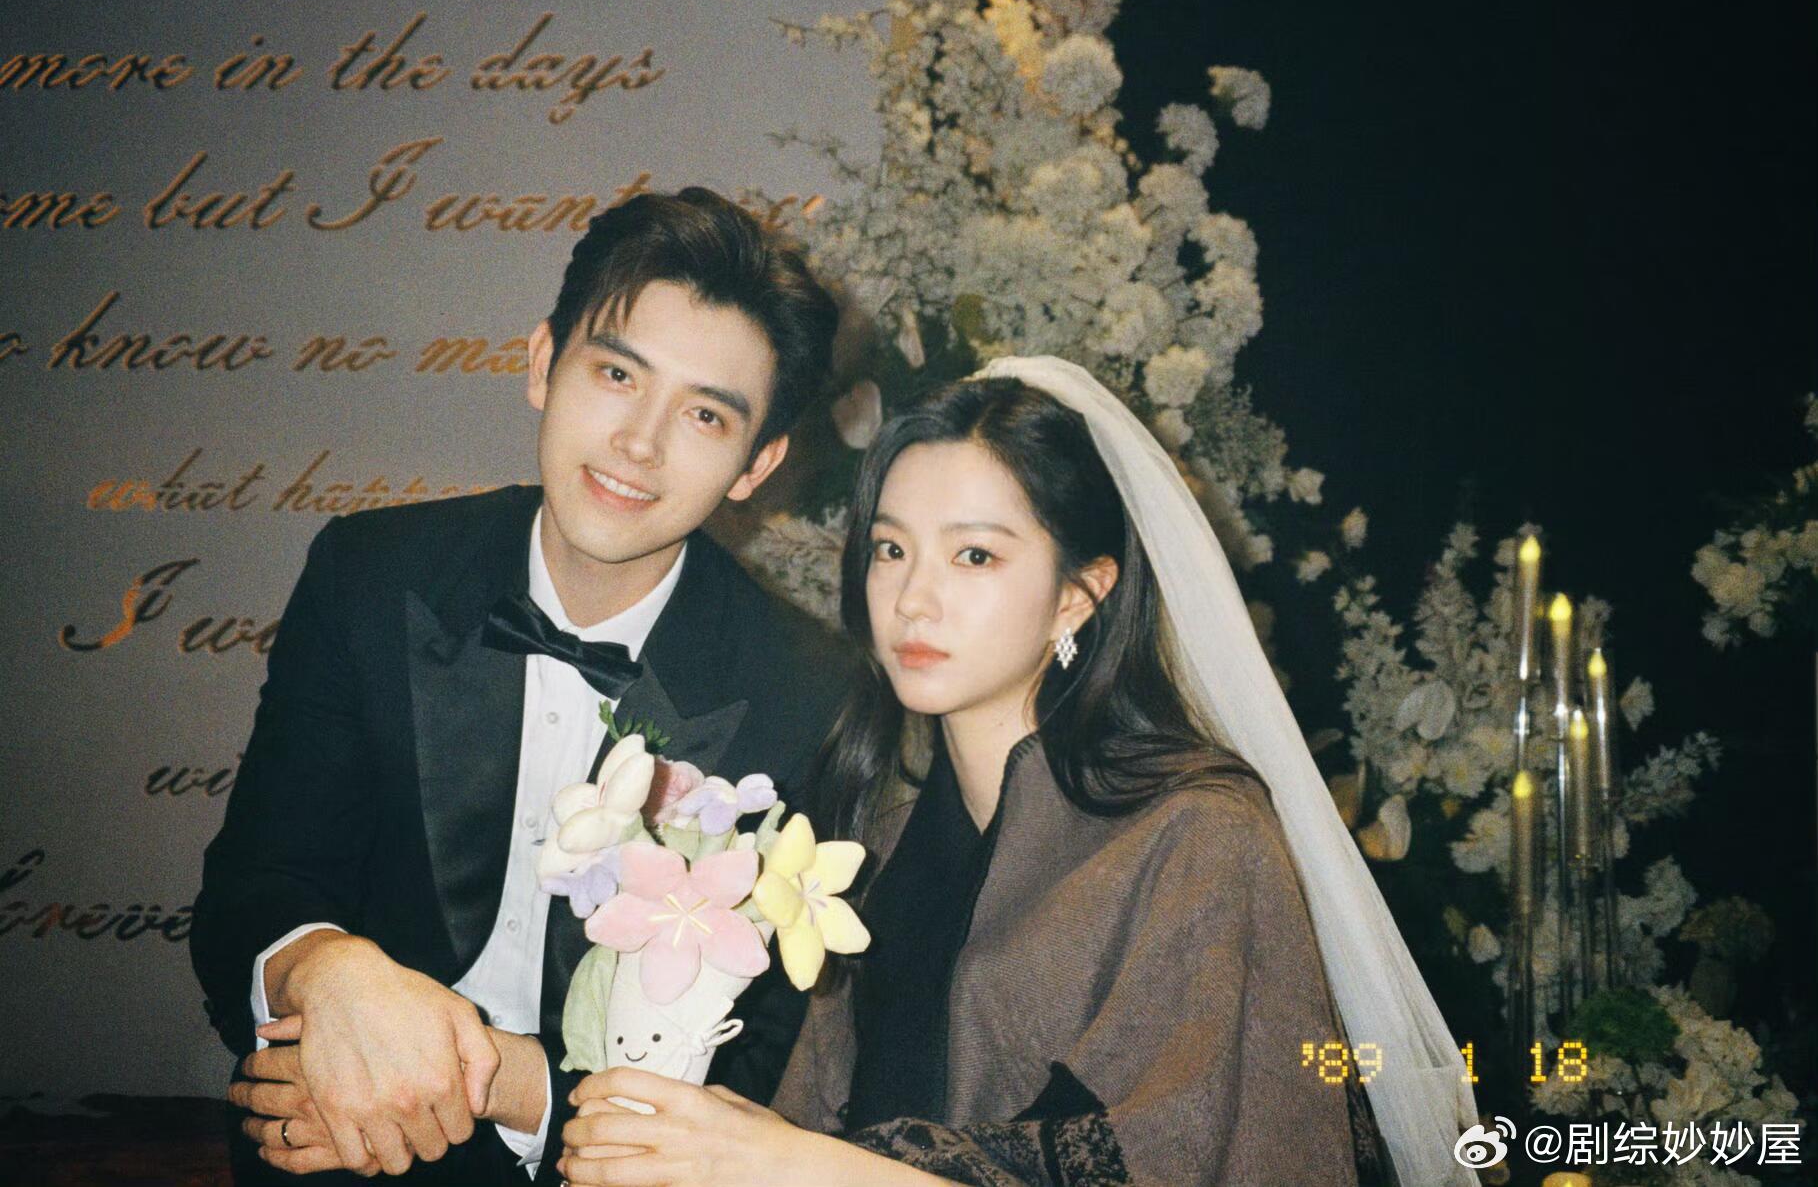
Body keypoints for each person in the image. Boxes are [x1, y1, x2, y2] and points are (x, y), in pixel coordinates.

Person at [546, 357, 1482, 1186]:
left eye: (975, 555)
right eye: (891, 549)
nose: (915, 598)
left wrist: (784, 1164)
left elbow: (1194, 1156)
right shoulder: (878, 844)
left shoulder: (1198, 836)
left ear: (1080, 594)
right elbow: (810, 1127)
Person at [190, 186, 853, 1186]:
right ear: (543, 363)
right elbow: (255, 887)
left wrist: (505, 1084)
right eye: (617, 373)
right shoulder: (371, 574)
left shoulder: (812, 692)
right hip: (338, 1138)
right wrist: (324, 971)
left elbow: (762, 1068)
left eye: (704, 415)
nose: (639, 442)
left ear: (755, 465)